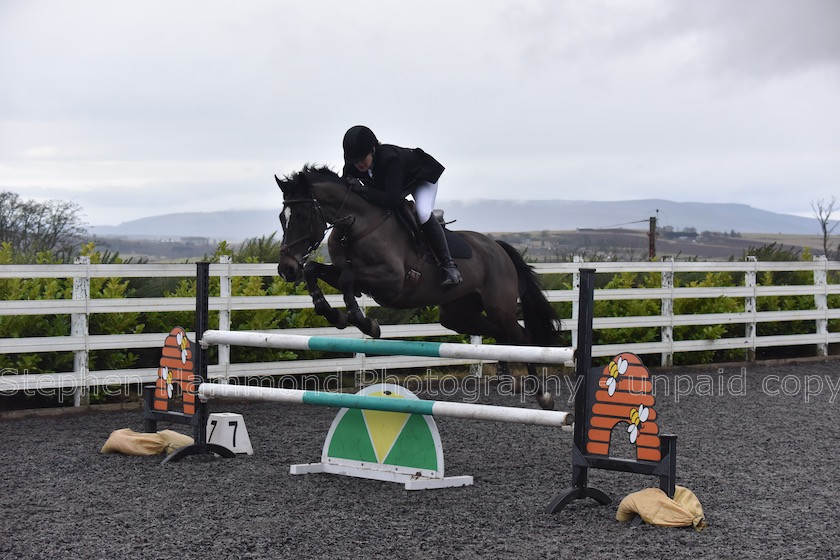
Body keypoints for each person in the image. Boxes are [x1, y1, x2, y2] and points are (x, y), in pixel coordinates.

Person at [341, 125, 462, 287]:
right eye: (355, 162)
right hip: (394, 184)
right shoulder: (353, 161)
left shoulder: (389, 159)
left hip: (420, 178)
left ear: (373, 150)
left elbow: (392, 199)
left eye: (362, 160)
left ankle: (449, 267)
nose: (359, 165)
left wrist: (363, 190)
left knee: (423, 213)